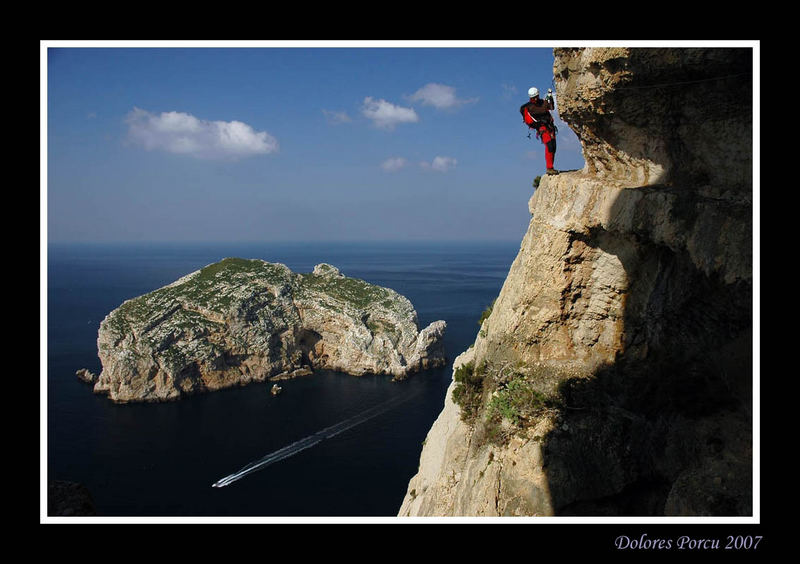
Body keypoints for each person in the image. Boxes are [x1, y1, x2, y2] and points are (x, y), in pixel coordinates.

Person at [520, 87, 558, 175]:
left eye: (536, 96)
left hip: (550, 126)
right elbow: (528, 120)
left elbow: (551, 107)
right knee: (549, 145)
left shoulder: (543, 103)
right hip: (542, 128)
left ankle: (551, 167)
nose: (535, 99)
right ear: (530, 98)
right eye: (533, 98)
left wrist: (551, 99)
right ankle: (549, 168)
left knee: (553, 146)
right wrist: (538, 125)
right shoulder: (528, 107)